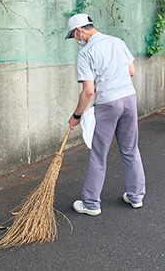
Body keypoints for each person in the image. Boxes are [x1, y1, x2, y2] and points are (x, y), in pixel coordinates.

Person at [66, 13, 146, 216]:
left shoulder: (86, 53)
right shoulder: (117, 42)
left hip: (108, 103)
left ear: (79, 31)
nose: (76, 40)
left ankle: (91, 203)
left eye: (74, 36)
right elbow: (131, 71)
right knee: (130, 149)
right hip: (129, 98)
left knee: (99, 153)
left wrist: (77, 115)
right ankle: (136, 197)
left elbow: (89, 91)